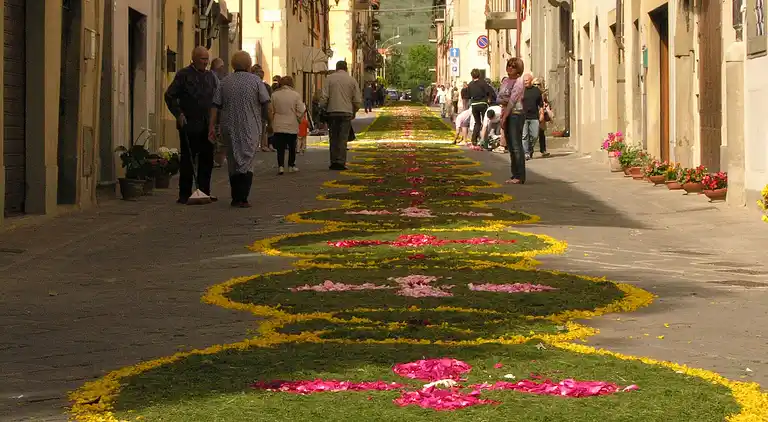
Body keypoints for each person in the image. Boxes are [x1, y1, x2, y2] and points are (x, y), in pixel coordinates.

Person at [210, 50, 270, 208]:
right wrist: (270, 122)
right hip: (250, 126)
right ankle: (243, 197)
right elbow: (266, 103)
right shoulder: (256, 81)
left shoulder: (225, 82)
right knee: (247, 161)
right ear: (249, 65)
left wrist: (212, 125)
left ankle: (235, 197)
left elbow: (215, 105)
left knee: (232, 160)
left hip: (229, 126)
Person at [164, 46, 219, 204]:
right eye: (202, 59)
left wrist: (215, 123)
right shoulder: (183, 75)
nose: (205, 62)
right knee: (188, 160)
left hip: (207, 124)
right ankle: (185, 194)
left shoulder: (211, 76)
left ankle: (204, 191)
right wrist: (178, 114)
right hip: (189, 123)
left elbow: (216, 98)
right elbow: (169, 95)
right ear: (194, 59)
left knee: (207, 160)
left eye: (207, 59)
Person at [319, 60, 362, 170]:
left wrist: (322, 107)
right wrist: (354, 111)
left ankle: (333, 161)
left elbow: (324, 97)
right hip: (346, 112)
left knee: (333, 138)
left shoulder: (329, 79)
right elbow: (357, 100)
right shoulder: (352, 80)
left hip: (332, 112)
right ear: (346, 68)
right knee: (343, 138)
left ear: (336, 68)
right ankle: (341, 162)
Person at [270, 76, 306, 175]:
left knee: (280, 147)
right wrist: (299, 118)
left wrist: (271, 121)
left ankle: (280, 166)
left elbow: (271, 109)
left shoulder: (274, 95)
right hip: (291, 123)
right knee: (292, 146)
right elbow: (301, 109)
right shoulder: (296, 95)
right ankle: (291, 165)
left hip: (278, 124)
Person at [498, 57, 526, 184]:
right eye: (508, 65)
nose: (509, 68)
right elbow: (499, 98)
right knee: (510, 145)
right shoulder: (505, 81)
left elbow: (512, 101)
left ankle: (520, 175)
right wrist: (505, 101)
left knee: (516, 145)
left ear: (518, 70)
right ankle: (514, 174)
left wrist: (505, 116)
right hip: (505, 112)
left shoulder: (519, 82)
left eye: (513, 66)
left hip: (516, 114)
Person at [466, 69, 495, 146]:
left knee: (477, 122)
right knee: (485, 122)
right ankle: (484, 139)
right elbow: (488, 92)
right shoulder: (483, 83)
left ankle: (474, 139)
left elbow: (468, 95)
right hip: (483, 103)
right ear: (479, 75)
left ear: (472, 76)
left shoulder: (470, 84)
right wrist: (489, 99)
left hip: (474, 104)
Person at [251, 65, 275, 152]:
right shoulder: (265, 86)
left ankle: (260, 144)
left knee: (262, 127)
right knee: (261, 128)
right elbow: (269, 100)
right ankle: (261, 145)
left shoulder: (265, 86)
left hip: (259, 110)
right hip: (260, 110)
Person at [521, 73, 543, 160]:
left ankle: (530, 148)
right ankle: (526, 152)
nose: (525, 82)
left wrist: (542, 114)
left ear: (531, 80)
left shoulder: (536, 91)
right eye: (524, 81)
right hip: (523, 117)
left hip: (534, 116)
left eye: (526, 80)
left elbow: (540, 104)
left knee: (535, 135)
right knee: (524, 136)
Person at [210, 58, 228, 168]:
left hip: (215, 110)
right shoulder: (213, 77)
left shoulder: (215, 77)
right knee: (214, 134)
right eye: (222, 66)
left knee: (215, 135)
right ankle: (212, 158)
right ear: (219, 67)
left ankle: (214, 158)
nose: (223, 69)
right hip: (214, 110)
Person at [535, 78, 552, 158]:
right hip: (532, 114)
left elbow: (547, 103)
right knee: (532, 133)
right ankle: (529, 150)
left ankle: (543, 150)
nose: (536, 86)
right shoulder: (530, 92)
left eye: (538, 84)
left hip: (541, 113)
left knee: (541, 133)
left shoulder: (543, 94)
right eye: (534, 84)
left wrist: (546, 106)